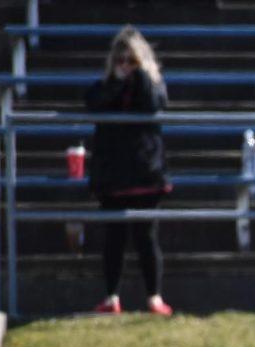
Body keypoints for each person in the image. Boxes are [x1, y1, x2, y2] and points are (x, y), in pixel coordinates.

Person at [85, 26, 173, 316]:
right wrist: (118, 83)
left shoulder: (151, 83)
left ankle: (154, 298)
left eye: (131, 60)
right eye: (120, 60)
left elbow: (154, 103)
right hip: (113, 172)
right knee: (114, 237)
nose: (125, 66)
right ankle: (111, 297)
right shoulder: (106, 85)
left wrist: (140, 76)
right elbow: (93, 102)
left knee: (147, 237)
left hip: (144, 172)